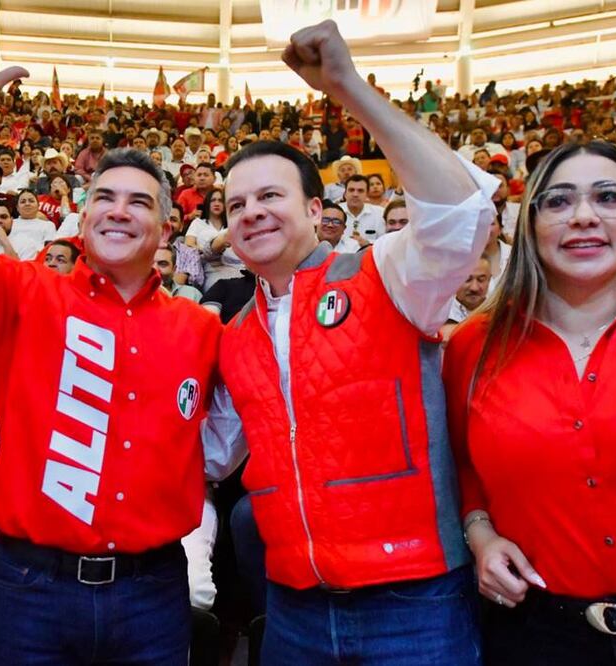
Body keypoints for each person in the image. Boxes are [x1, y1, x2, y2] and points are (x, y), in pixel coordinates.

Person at [0, 37, 239, 665]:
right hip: (29, 590)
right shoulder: (22, 294)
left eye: (139, 202)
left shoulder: (200, 329)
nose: (119, 212)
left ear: (165, 227)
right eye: (104, 196)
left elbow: (234, 438)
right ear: (80, 213)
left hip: (153, 589)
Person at [216, 20, 497, 665]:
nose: (251, 212)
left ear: (318, 211)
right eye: (235, 206)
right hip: (293, 606)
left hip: (414, 602)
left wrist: (348, 87)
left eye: (269, 196)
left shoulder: (387, 275)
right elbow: (208, 455)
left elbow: (463, 213)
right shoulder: (235, 337)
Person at [444, 139, 616, 665]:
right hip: (538, 631)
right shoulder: (473, 346)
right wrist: (479, 535)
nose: (583, 217)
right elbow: (464, 464)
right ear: (528, 225)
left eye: (609, 197)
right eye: (558, 201)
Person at [186, 188, 242, 287]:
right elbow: (189, 244)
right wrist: (205, 250)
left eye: (220, 201)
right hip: (211, 268)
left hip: (236, 266)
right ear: (207, 203)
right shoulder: (198, 223)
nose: (217, 203)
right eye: (213, 200)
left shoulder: (232, 224)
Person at [9, 188, 57, 259]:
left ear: (38, 206)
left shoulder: (48, 225)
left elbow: (49, 250)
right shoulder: (9, 224)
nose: (27, 204)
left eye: (31, 201)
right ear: (17, 208)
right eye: (23, 202)